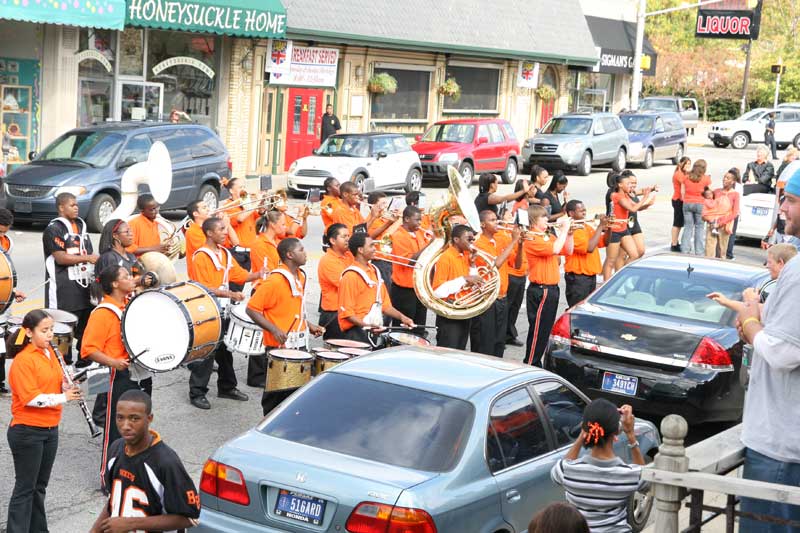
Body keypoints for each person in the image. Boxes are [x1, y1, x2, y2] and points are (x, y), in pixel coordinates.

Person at [735, 166, 800, 531]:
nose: (782, 210)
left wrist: (750, 322)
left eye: (790, 201)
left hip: (780, 450)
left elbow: (784, 352)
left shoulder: (797, 271)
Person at [6, 310, 82, 533]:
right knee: (25, 487)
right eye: (44, 331)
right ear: (29, 332)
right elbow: (31, 399)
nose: (50, 335)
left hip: (50, 428)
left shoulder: (50, 353)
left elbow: (54, 382)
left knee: (39, 486)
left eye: (51, 330)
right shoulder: (23, 361)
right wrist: (63, 397)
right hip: (27, 431)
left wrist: (66, 386)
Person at [90, 389, 200, 533]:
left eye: (134, 418)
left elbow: (189, 518)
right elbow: (113, 501)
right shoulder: (116, 448)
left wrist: (131, 524)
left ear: (149, 418)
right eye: (120, 418)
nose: (125, 426)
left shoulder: (165, 462)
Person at [82, 265, 151, 491]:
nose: (131, 279)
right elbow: (88, 350)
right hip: (116, 376)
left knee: (138, 428)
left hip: (137, 374)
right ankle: (109, 478)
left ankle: (131, 474)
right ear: (114, 284)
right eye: (126, 277)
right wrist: (114, 362)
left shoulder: (128, 305)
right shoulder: (103, 312)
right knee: (116, 430)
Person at [189, 217, 265, 410]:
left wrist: (257, 274)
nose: (226, 232)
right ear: (209, 233)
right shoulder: (201, 256)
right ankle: (197, 392)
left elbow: (238, 275)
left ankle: (227, 387)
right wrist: (229, 293)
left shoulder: (224, 253)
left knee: (225, 349)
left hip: (223, 308)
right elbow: (202, 287)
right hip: (207, 310)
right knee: (207, 351)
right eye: (221, 229)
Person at [246, 238, 324, 415]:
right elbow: (252, 309)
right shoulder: (275, 281)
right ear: (290, 255)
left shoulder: (301, 276)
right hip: (279, 346)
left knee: (295, 393)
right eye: (301, 250)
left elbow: (293, 309)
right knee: (275, 395)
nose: (305, 253)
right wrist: (274, 329)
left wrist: (308, 325)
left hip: (300, 343)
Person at [551, 399, 646, 533]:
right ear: (616, 432)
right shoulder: (628, 474)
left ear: (585, 428)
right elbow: (645, 479)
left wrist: (582, 436)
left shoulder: (566, 471)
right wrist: (630, 434)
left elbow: (559, 470)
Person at [43, 192, 99, 364]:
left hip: (83, 286)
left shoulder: (81, 226)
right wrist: (87, 258)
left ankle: (83, 363)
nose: (76, 208)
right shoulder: (54, 229)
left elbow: (87, 251)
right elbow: (60, 258)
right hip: (63, 289)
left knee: (87, 327)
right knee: (63, 331)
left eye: (76, 205)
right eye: (72, 205)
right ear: (61, 207)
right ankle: (62, 366)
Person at [338, 233, 414, 344]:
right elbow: (347, 314)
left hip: (372, 329)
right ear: (360, 250)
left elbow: (385, 306)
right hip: (356, 333)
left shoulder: (375, 272)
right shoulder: (350, 276)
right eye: (371, 246)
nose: (375, 249)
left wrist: (403, 318)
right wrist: (368, 326)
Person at [524, 208, 572, 366]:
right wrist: (564, 229)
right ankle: (531, 362)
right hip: (541, 289)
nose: (547, 219)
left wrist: (569, 234)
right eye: (543, 217)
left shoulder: (548, 236)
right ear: (533, 220)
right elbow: (555, 249)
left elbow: (567, 250)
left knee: (545, 330)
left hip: (552, 288)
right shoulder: (531, 238)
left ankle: (537, 361)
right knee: (537, 330)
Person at [471, 210, 521, 357]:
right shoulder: (478, 244)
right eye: (492, 220)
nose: (497, 222)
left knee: (499, 343)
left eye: (496, 219)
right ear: (482, 224)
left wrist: (520, 244)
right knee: (485, 343)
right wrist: (513, 241)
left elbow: (517, 265)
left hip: (502, 298)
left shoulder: (499, 241)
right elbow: (495, 265)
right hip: (487, 299)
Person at [431, 224, 483, 349]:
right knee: (448, 351)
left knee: (460, 351)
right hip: (450, 313)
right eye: (468, 239)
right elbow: (438, 291)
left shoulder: (466, 256)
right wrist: (464, 279)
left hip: (464, 310)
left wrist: (472, 265)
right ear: (456, 239)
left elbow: (472, 284)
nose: (472, 242)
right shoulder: (446, 257)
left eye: (472, 239)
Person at [707, 243, 796, 313]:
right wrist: (726, 302)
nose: (767, 266)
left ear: (780, 263)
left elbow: (766, 311)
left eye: (769, 262)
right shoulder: (787, 284)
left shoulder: (789, 288)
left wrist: (752, 301)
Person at [389, 206, 432, 336]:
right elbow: (410, 261)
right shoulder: (398, 236)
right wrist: (431, 244)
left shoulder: (418, 233)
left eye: (421, 220)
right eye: (417, 220)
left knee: (418, 328)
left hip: (418, 288)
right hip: (404, 291)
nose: (420, 223)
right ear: (406, 219)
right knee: (403, 332)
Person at [603, 175, 653, 280]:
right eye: (628, 184)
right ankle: (606, 284)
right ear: (620, 185)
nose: (630, 186)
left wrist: (647, 204)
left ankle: (619, 276)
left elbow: (636, 206)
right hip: (614, 231)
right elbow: (633, 208)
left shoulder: (626, 196)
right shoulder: (616, 196)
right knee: (610, 261)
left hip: (624, 229)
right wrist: (645, 197)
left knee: (634, 255)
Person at [0, 207, 26, 394]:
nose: (2, 235)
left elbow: (4, 274)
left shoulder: (7, 243)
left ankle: (0, 382)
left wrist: (12, 291)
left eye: (4, 232)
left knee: (1, 343)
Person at [564, 201, 609, 307]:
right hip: (578, 278)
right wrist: (600, 227)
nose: (584, 213)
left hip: (589, 276)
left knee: (586, 308)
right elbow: (590, 248)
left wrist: (609, 228)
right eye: (581, 211)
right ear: (571, 213)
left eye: (585, 210)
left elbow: (605, 242)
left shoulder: (586, 227)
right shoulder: (573, 230)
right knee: (577, 308)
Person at [317, 223, 352, 340]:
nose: (348, 239)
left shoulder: (349, 255)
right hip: (333, 314)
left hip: (348, 311)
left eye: (348, 236)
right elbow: (347, 284)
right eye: (344, 237)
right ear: (332, 240)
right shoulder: (328, 261)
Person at [703, 169, 740, 259]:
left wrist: (720, 223)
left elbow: (735, 213)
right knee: (709, 251)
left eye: (728, 178)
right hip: (712, 224)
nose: (724, 179)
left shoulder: (735, 194)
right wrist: (710, 220)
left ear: (733, 181)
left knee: (721, 252)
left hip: (724, 225)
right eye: (724, 177)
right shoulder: (716, 191)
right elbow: (708, 205)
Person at [680, 159, 712, 255]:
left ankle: (685, 249)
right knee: (699, 227)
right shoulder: (706, 179)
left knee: (688, 227)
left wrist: (685, 200)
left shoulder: (686, 177)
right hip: (700, 204)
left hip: (687, 203)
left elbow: (682, 191)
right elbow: (709, 193)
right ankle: (699, 251)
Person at [249, 210, 286, 282]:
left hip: (276, 284)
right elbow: (267, 271)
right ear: (273, 225)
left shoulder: (277, 242)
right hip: (264, 287)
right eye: (283, 224)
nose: (285, 227)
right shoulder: (260, 244)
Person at [670, 156, 691, 252]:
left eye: (689, 164)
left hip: (682, 200)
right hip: (678, 200)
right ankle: (674, 244)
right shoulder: (678, 174)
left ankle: (676, 242)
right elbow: (685, 182)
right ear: (681, 164)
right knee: (677, 223)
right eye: (686, 163)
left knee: (680, 223)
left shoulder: (684, 173)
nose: (688, 165)